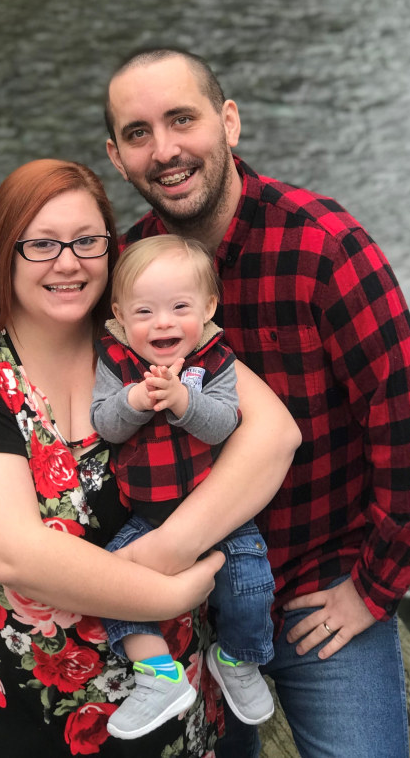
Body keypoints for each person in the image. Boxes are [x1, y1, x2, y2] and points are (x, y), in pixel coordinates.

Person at [103, 49, 410, 758]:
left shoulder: (323, 246)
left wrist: (372, 587)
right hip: (190, 600)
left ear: (228, 122)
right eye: (138, 133)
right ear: (116, 156)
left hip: (314, 581)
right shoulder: (128, 271)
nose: (164, 150)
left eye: (182, 120)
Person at [0, 158, 301, 758]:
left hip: (176, 692)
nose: (67, 263)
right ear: (3, 251)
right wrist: (166, 594)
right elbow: (11, 552)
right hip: (35, 703)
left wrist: (171, 548)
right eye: (41, 244)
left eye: (87, 241)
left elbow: (273, 434)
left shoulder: (134, 328)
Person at [90, 235, 275, 740]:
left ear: (208, 307)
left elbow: (222, 425)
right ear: (121, 316)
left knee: (251, 582)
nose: (163, 322)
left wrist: (180, 400)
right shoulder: (116, 362)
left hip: (218, 511)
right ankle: (159, 674)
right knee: (106, 584)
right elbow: (105, 423)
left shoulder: (216, 361)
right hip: (148, 516)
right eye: (145, 311)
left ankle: (238, 658)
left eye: (180, 307)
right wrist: (134, 399)